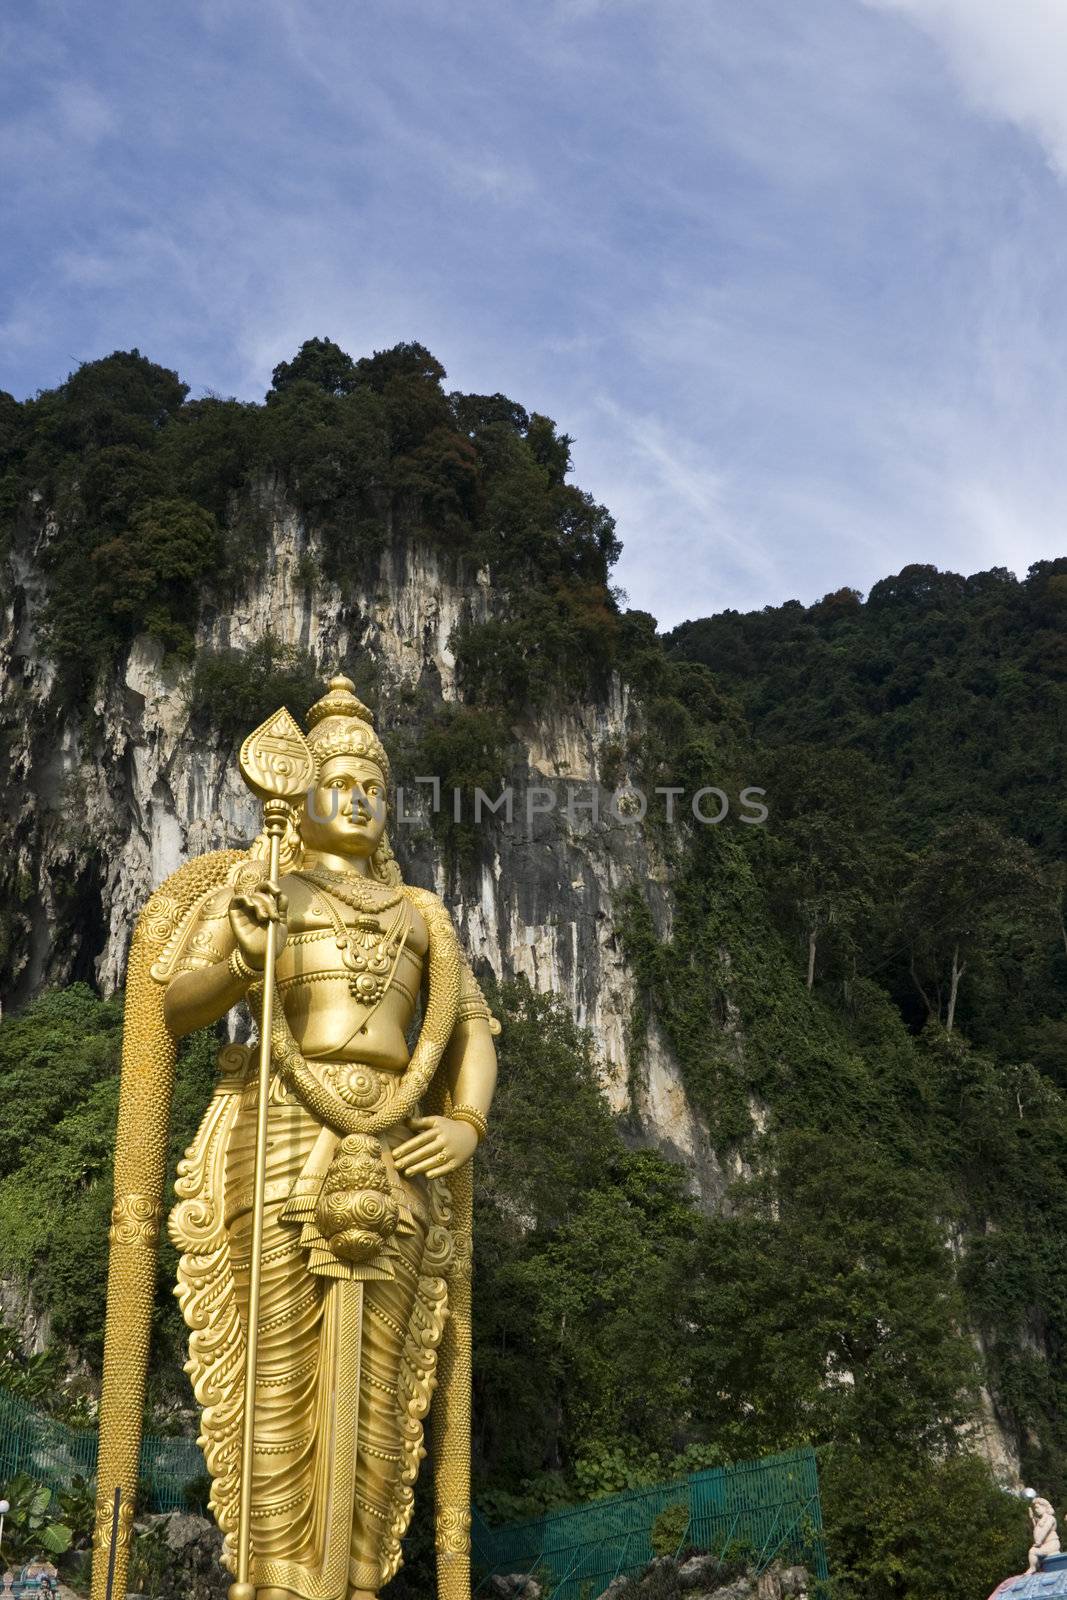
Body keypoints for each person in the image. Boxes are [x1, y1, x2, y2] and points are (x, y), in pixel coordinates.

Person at [93, 677, 497, 1600]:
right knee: (277, 1361)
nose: (354, 798)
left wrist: (465, 1120)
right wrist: (241, 951)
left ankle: (357, 1580)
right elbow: (175, 1008)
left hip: (397, 1146)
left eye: (371, 786)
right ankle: (275, 1581)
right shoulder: (262, 883)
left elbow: (471, 1029)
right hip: (279, 1127)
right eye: (337, 781)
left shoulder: (423, 914)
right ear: (300, 795)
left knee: (385, 1375)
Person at [1026, 1489, 1060, 1573]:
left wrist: (1038, 1541)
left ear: (1044, 1507)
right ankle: (1035, 1567)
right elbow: (1036, 1530)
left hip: (1051, 1544)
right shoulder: (1040, 1520)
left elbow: (1044, 1530)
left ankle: (1033, 1567)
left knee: (1032, 1551)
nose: (1036, 1510)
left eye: (1037, 1507)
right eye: (1035, 1508)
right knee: (1033, 1552)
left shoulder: (1050, 1518)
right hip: (1044, 1544)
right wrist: (1032, 1519)